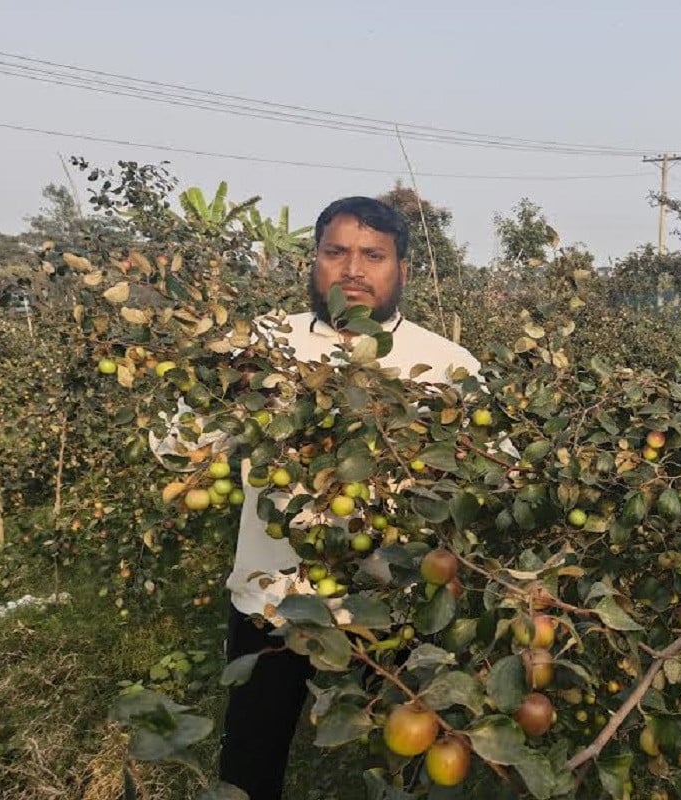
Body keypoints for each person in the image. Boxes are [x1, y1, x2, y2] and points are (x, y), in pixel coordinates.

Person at [152, 196, 480, 800]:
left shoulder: (447, 366)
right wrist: (220, 387)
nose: (352, 269)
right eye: (336, 252)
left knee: (407, 763)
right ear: (314, 263)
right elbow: (178, 453)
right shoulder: (262, 348)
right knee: (252, 755)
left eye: (373, 255)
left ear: (402, 270)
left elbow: (495, 473)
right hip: (272, 599)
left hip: (390, 605)